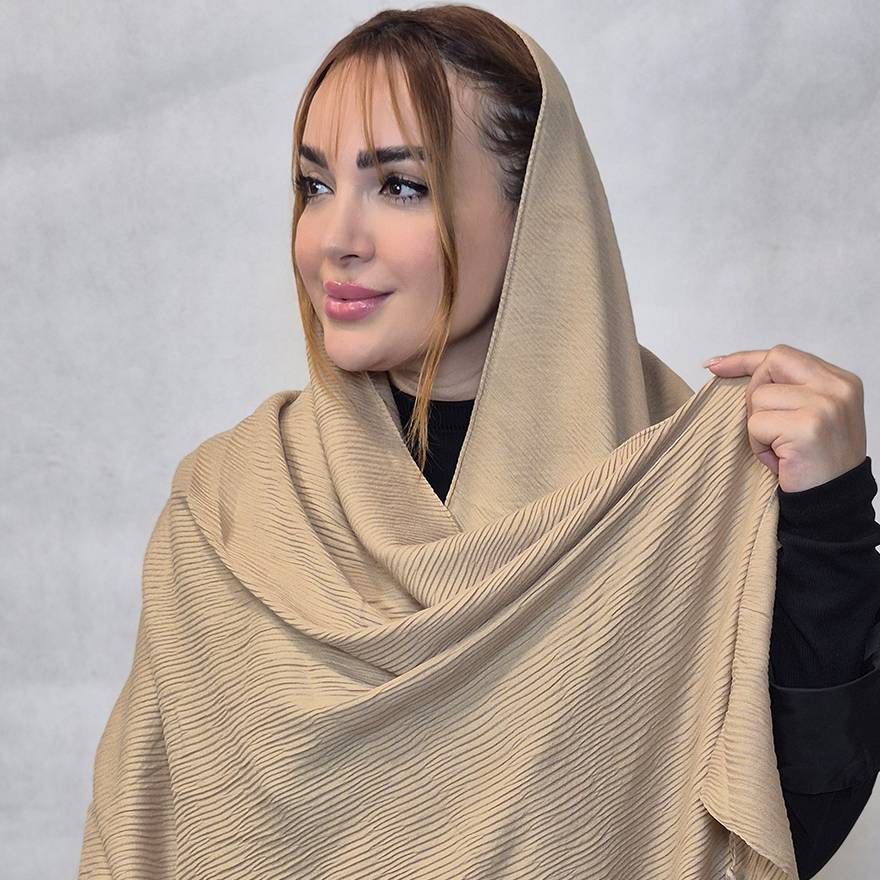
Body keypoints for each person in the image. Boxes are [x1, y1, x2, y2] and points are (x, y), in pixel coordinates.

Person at [79, 6, 880, 878]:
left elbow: (784, 820)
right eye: (314, 186)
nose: (334, 239)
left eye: (400, 186)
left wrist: (832, 518)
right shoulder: (227, 510)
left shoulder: (667, 496)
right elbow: (138, 839)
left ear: (535, 209)